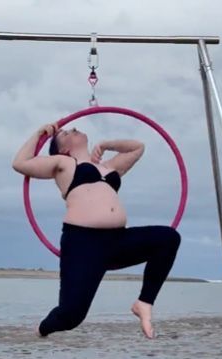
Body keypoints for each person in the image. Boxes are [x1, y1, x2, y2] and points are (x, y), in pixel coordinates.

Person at [13, 122, 181, 339]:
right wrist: (39, 133)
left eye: (71, 128)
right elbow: (20, 163)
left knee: (168, 238)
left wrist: (106, 144)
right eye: (64, 133)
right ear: (63, 149)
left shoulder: (110, 167)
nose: (71, 129)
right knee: (71, 316)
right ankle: (40, 331)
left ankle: (144, 302)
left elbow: (137, 147)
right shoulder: (63, 163)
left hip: (118, 241)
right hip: (83, 244)